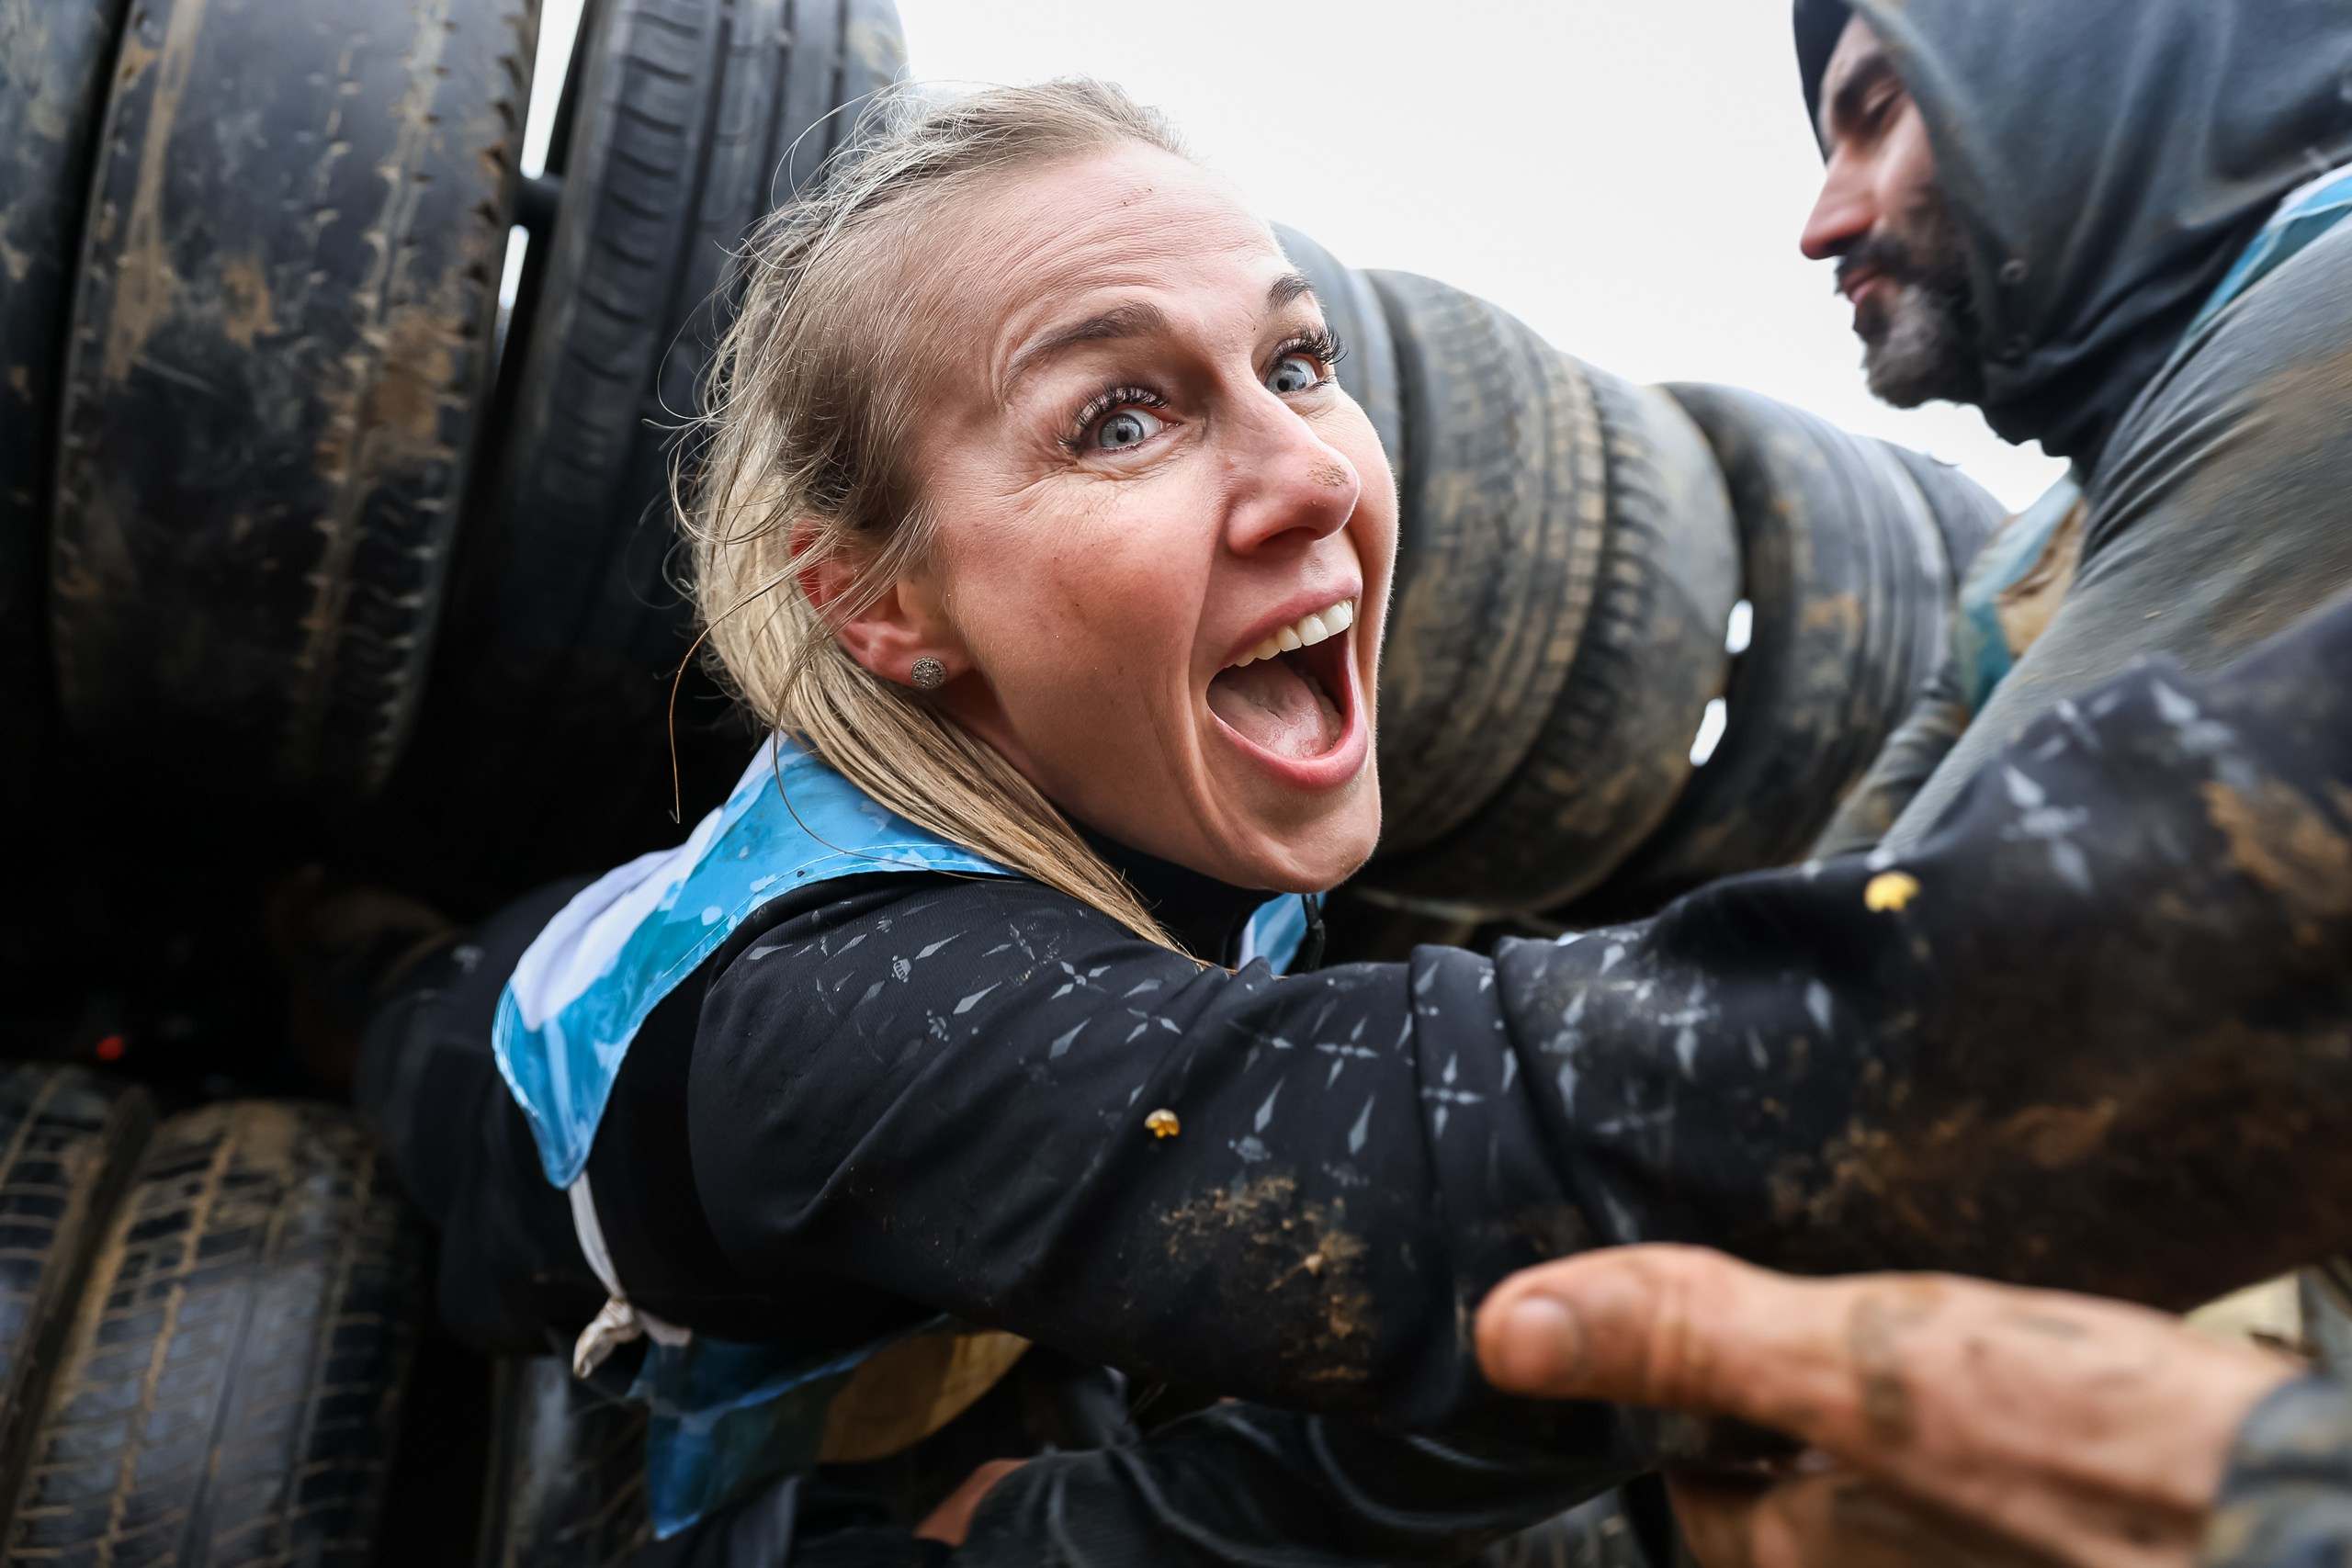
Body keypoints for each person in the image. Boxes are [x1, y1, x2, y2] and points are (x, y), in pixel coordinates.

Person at [358, 79, 2352, 1565]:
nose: (1306, 473)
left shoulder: (1174, 775)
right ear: (879, 600)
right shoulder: (854, 1019)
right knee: (375, 1011)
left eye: (1296, 363)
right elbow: (1455, 1173)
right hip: (494, 1054)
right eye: (1115, 416)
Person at [1793, 0, 2352, 858]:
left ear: (2081, 83)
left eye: (1878, 118)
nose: (1821, 228)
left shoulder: (2330, 316)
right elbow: (1850, 864)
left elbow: (1918, 948)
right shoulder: (2022, 569)